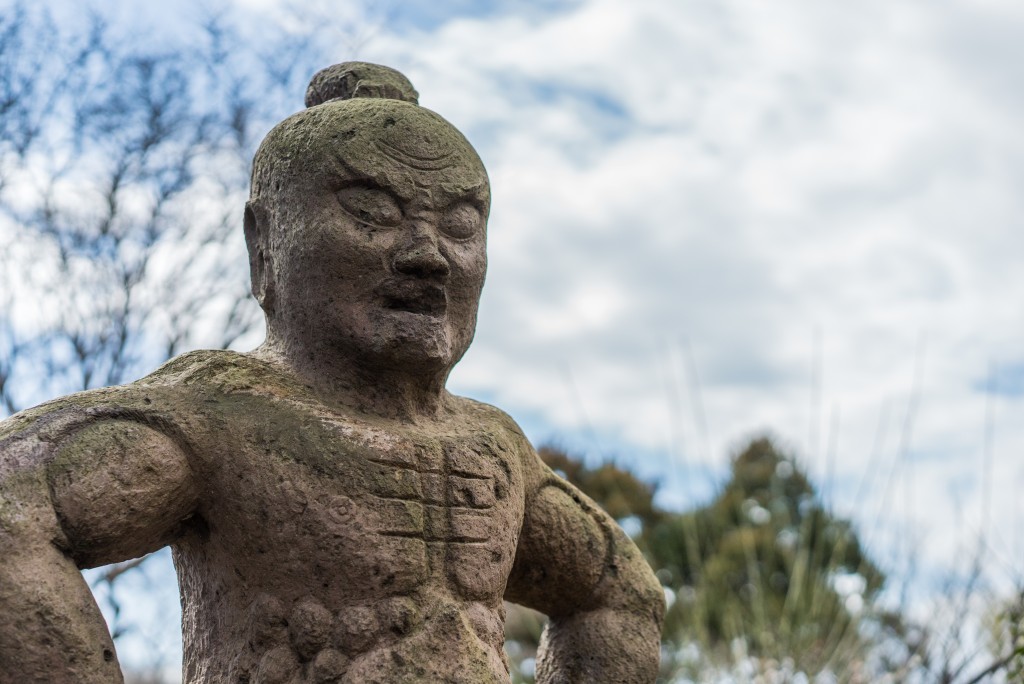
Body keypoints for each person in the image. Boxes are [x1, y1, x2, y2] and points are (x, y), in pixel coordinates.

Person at [0, 63, 663, 683]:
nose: (428, 255)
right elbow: (13, 511)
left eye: (461, 225)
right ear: (265, 243)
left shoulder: (496, 449)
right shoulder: (225, 418)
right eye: (371, 213)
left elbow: (621, 595)